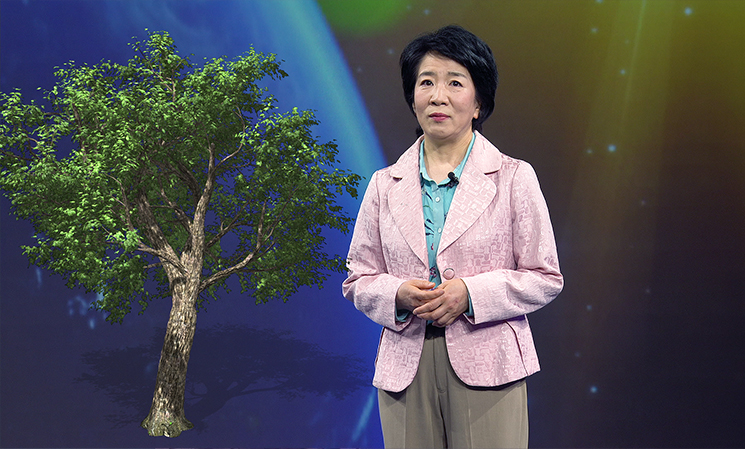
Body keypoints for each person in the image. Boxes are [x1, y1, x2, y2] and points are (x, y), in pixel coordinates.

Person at [342, 25, 563, 448]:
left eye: (455, 83)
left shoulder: (514, 177)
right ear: (412, 97)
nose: (438, 96)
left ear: (479, 103)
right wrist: (398, 294)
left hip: (490, 362)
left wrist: (470, 293)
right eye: (426, 82)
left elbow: (545, 277)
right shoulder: (384, 184)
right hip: (405, 367)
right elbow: (358, 279)